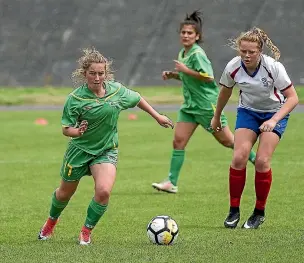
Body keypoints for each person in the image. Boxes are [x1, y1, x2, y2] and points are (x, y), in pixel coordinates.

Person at [38, 47, 174, 245]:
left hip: (105, 150)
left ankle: (86, 232)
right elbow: (66, 129)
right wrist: (78, 131)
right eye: (92, 73)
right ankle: (51, 222)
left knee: (103, 191)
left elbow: (137, 98)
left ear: (106, 74)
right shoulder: (75, 99)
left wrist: (157, 116)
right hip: (79, 151)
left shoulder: (116, 91)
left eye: (101, 73)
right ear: (84, 74)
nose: (97, 77)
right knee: (64, 193)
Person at [152, 10, 256, 194]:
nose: (185, 35)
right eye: (183, 32)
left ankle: (258, 160)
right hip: (190, 107)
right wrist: (175, 75)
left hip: (207, 106)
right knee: (178, 142)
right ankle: (171, 182)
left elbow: (208, 77)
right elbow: (191, 77)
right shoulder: (184, 52)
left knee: (227, 141)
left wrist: (184, 70)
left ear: (197, 36)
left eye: (190, 33)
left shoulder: (197, 54)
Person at [211, 27, 299, 229]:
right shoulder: (233, 67)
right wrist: (216, 117)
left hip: (275, 113)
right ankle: (234, 210)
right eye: (243, 51)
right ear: (239, 50)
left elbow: (293, 98)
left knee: (261, 161)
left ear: (260, 51)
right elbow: (225, 93)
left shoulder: (273, 67)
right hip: (248, 112)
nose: (247, 55)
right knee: (239, 157)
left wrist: (274, 120)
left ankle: (259, 212)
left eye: (252, 52)